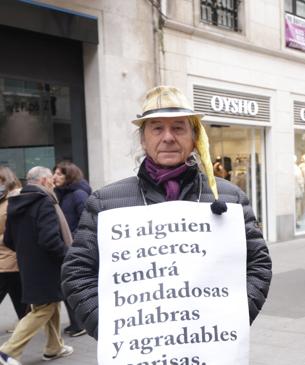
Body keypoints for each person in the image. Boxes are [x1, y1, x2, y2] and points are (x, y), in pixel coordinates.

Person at [61, 85, 272, 340]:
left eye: (179, 128)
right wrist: (115, 330)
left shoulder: (230, 198)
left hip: (209, 344)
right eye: (157, 128)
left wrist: (230, 320)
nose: (168, 137)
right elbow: (77, 274)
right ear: (143, 138)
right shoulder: (105, 203)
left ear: (194, 137)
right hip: (141, 350)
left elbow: (258, 265)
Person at [1, 166, 73, 361]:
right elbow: (50, 240)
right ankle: (7, 351)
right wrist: (68, 254)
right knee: (44, 308)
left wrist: (27, 252)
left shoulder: (14, 202)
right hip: (47, 267)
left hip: (28, 266)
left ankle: (54, 347)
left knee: (51, 303)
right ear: (42, 181)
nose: (53, 182)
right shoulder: (44, 202)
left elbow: (8, 240)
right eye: (50, 179)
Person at [52, 161, 91, 337]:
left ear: (70, 176)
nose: (55, 177)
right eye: (55, 173)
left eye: (60, 174)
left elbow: (85, 220)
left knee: (72, 286)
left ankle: (80, 323)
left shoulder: (78, 194)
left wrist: (74, 241)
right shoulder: (60, 195)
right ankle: (77, 323)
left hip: (73, 247)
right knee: (66, 286)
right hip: (65, 246)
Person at [0, 167, 28, 326]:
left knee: (19, 296)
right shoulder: (4, 200)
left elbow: (17, 231)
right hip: (7, 259)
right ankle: (25, 327)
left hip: (10, 258)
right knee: (19, 297)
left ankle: (25, 327)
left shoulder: (14, 201)